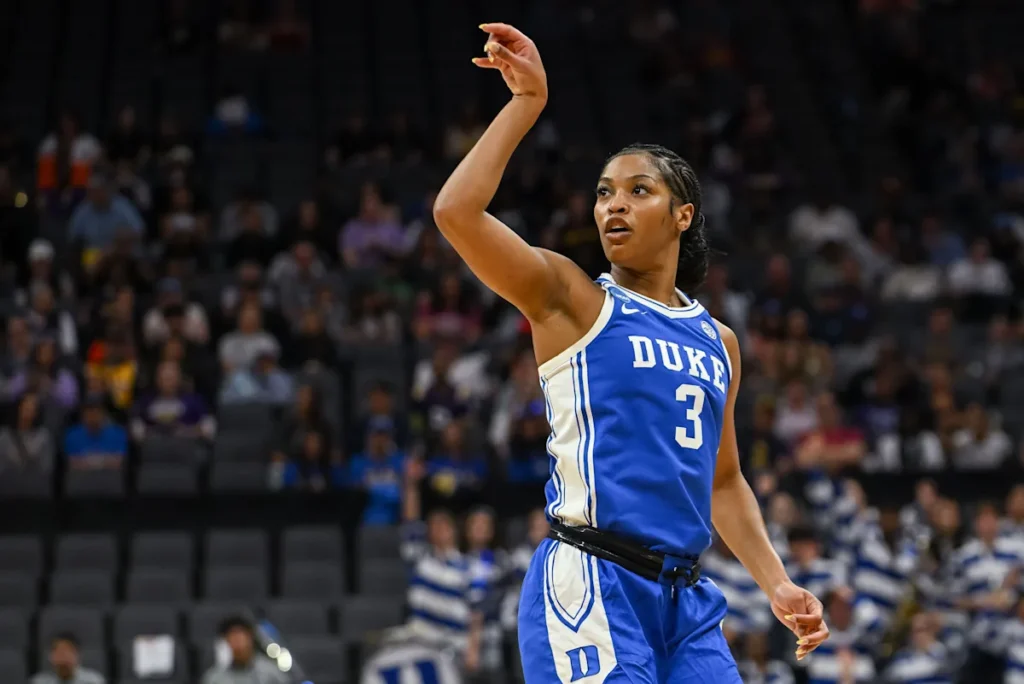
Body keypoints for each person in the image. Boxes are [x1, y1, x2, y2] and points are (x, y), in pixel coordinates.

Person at [431, 22, 828, 682]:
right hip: (594, 574)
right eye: (604, 193)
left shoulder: (718, 341)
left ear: (683, 215)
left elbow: (723, 482)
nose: (614, 205)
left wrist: (777, 583)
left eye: (638, 191)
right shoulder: (572, 298)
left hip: (686, 601)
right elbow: (456, 213)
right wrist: (525, 104)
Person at [200, 616, 289, 684]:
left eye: (241, 638)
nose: (238, 644)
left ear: (251, 639)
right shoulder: (215, 678)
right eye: (233, 638)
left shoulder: (271, 674)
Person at [31, 632, 105, 684]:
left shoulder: (93, 681)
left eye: (67, 651)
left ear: (78, 655)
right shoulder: (39, 681)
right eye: (58, 652)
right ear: (51, 656)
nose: (63, 656)